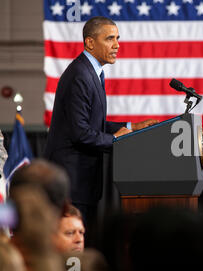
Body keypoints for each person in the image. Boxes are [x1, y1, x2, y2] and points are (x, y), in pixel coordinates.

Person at [44, 16, 158, 243]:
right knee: (71, 248)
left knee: (79, 248)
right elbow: (80, 133)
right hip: (72, 183)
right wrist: (117, 141)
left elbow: (91, 123)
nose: (117, 45)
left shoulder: (91, 71)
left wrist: (131, 127)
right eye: (109, 39)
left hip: (82, 181)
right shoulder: (80, 75)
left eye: (117, 38)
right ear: (90, 43)